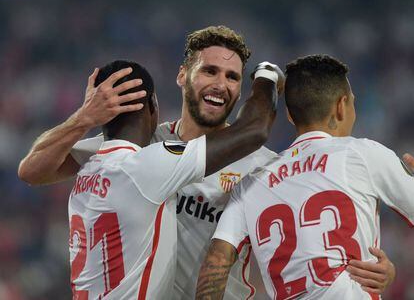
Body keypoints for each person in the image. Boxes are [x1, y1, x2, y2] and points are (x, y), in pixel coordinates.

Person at [18, 26, 397, 299]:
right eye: (210, 71)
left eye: (233, 77)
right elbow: (34, 170)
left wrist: (374, 268)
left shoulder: (266, 167)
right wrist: (84, 118)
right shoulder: (138, 150)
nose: (222, 84)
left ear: (240, 91)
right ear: (183, 75)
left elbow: (315, 233)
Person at [26, 57, 280, 299]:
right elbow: (253, 131)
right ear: (153, 107)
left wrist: (83, 117)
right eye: (209, 71)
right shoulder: (148, 164)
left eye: (231, 76)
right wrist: (267, 73)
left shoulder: (89, 165)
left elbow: (29, 170)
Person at [196, 54, 414, 299]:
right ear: (342, 106)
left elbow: (214, 266)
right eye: (353, 102)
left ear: (290, 115)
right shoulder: (362, 153)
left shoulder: (251, 183)